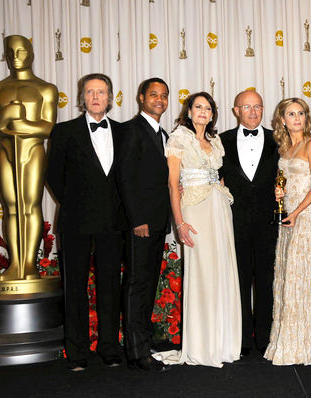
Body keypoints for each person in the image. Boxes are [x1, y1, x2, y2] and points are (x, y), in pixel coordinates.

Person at [152, 92, 241, 368]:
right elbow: (172, 182)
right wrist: (179, 222)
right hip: (194, 210)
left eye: (208, 107)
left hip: (219, 207)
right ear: (189, 111)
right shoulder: (179, 137)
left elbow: (220, 173)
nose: (203, 111)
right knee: (202, 273)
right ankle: (203, 345)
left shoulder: (215, 140)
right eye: (198, 107)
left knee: (222, 271)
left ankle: (223, 342)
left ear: (213, 113)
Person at [46, 73, 125, 371]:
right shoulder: (64, 131)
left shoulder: (122, 132)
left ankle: (108, 348)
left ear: (110, 97)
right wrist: (75, 203)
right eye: (90, 91)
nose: (95, 96)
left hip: (113, 222)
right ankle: (76, 352)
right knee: (74, 287)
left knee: (109, 286)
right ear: (82, 97)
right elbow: (53, 175)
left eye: (101, 92)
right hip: (76, 220)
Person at [263, 98, 311, 365]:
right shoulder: (285, 148)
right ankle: (291, 341)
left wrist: (295, 213)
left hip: (306, 219)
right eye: (291, 114)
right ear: (282, 120)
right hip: (287, 220)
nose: (296, 118)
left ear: (306, 118)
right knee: (291, 277)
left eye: (301, 113)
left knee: (306, 276)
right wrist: (281, 198)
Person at [0, 35, 58, 281]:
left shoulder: (45, 88)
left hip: (33, 150)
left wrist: (23, 122)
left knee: (31, 205)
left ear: (31, 53)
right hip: (6, 151)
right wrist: (5, 117)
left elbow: (49, 128)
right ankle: (15, 265)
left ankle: (30, 264)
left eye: (21, 52)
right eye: (11, 52)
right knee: (11, 208)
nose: (16, 57)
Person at [116, 78, 171, 372]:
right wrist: (137, 220)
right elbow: (125, 178)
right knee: (138, 283)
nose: (159, 100)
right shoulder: (130, 130)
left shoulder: (162, 134)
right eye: (154, 95)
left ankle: (144, 342)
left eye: (164, 95)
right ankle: (136, 352)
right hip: (141, 224)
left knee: (148, 283)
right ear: (141, 98)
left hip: (159, 221)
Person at [220, 90, 279, 357]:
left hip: (269, 222)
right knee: (239, 280)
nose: (253, 112)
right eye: (247, 107)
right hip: (234, 222)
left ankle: (266, 337)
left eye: (258, 107)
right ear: (236, 111)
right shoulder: (220, 142)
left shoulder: (279, 139)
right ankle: (242, 339)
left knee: (267, 281)